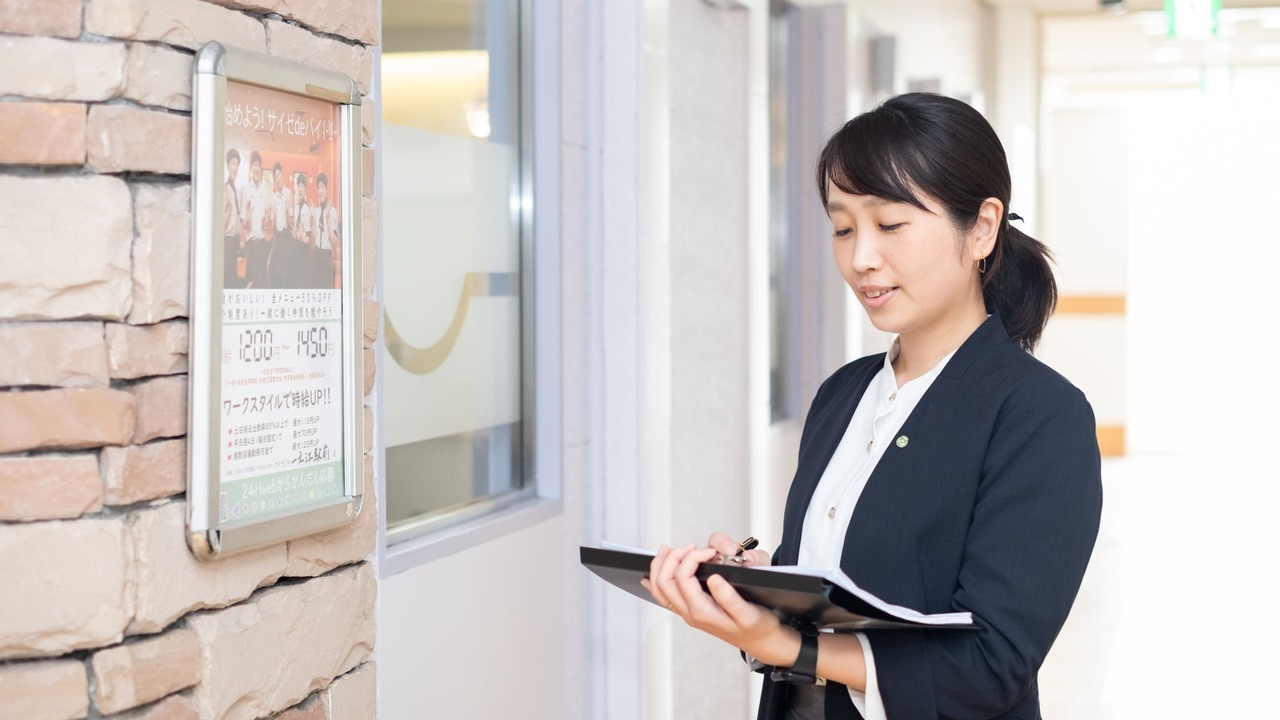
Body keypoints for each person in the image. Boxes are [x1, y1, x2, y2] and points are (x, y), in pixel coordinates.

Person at [644, 92, 1103, 720]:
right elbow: (866, 580)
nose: (861, 257)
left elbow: (991, 665)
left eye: (890, 225)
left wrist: (783, 642)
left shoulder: (1041, 416)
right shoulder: (844, 394)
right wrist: (766, 580)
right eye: (841, 227)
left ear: (983, 229)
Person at [240, 150, 271, 288]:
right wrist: (248, 219)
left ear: (261, 167)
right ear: (251, 168)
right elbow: (244, 225)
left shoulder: (266, 189)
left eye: (258, 165)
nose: (256, 168)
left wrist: (266, 221)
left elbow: (269, 222)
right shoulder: (246, 189)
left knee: (260, 283)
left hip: (262, 243)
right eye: (254, 165)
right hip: (250, 244)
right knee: (250, 281)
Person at [313, 172, 340, 289]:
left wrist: (328, 218)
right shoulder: (316, 211)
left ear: (327, 189)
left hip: (326, 257)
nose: (321, 191)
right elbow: (312, 242)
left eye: (323, 187)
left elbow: (335, 243)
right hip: (316, 256)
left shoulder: (333, 211)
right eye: (319, 188)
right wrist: (313, 218)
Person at [223, 148, 244, 289]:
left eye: (237, 164)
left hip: (235, 240)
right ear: (227, 166)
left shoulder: (236, 190)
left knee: (233, 275)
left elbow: (240, 219)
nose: (235, 167)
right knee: (228, 277)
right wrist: (229, 210)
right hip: (227, 240)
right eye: (232, 164)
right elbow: (221, 224)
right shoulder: (224, 189)